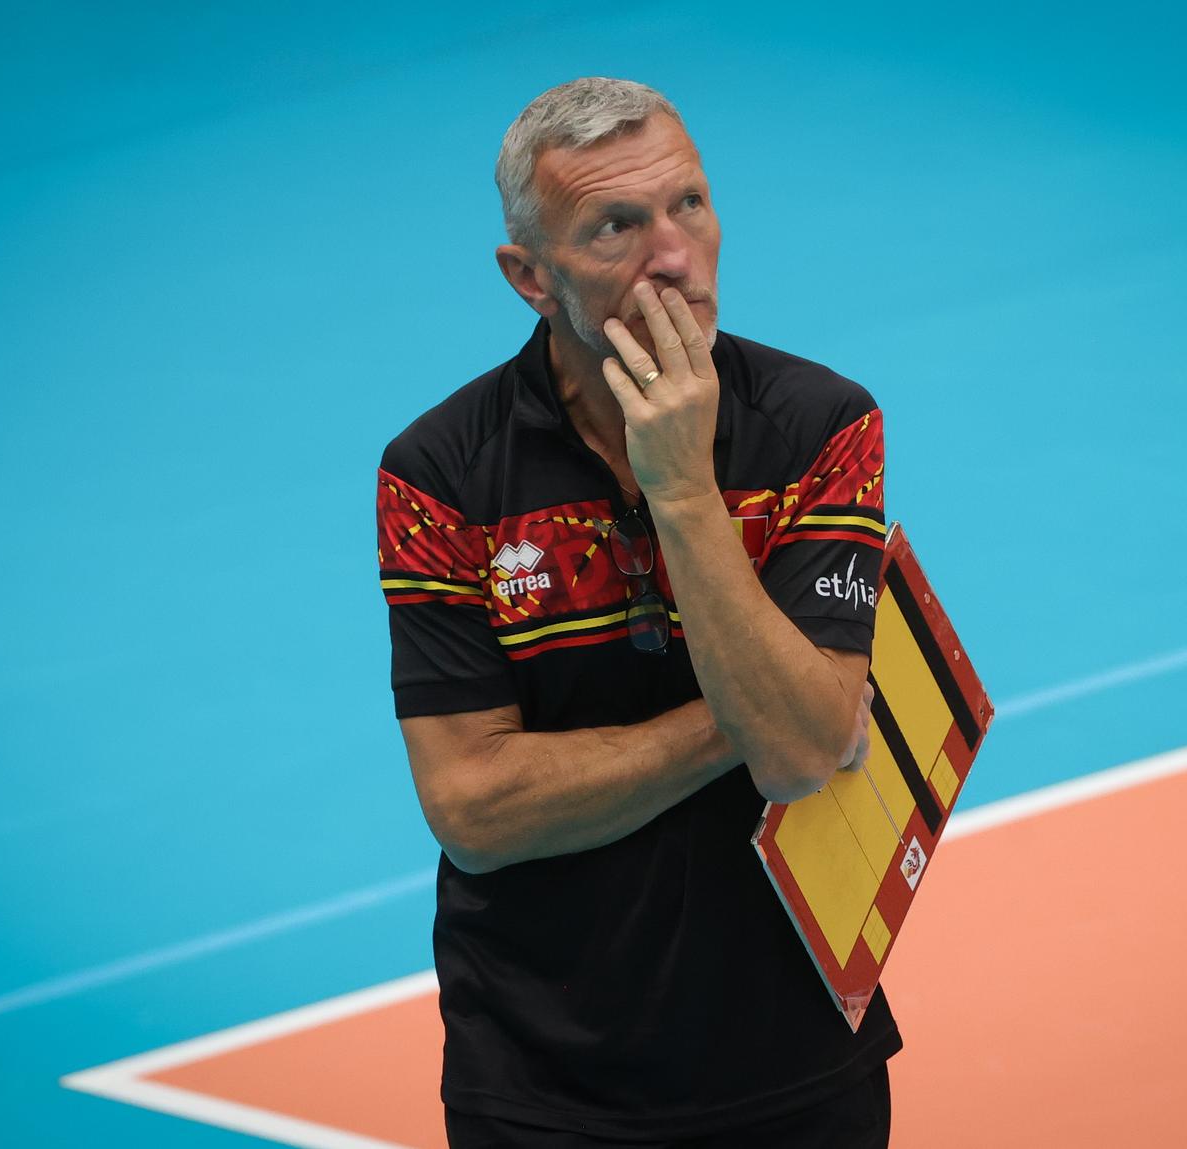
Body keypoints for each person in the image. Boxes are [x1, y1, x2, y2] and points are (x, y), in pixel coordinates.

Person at [376, 77, 896, 1147]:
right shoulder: (440, 477)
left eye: (688, 204)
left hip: (797, 1061)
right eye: (616, 225)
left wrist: (684, 490)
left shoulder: (819, 427)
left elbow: (798, 758)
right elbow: (475, 810)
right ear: (530, 276)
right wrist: (750, 713)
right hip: (540, 1081)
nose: (673, 256)